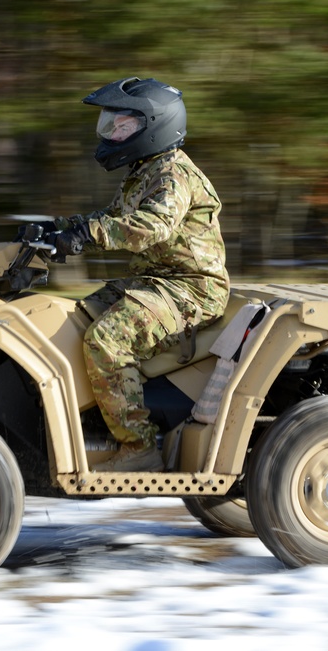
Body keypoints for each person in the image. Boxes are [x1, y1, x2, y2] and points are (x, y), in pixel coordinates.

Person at [43, 77, 230, 472]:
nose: (112, 132)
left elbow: (150, 228)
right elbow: (112, 220)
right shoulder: (146, 171)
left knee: (106, 341)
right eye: (111, 124)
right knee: (70, 319)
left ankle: (138, 448)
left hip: (190, 290)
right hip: (156, 282)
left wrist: (85, 235)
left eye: (123, 124)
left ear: (154, 126)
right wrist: (58, 230)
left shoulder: (175, 175)